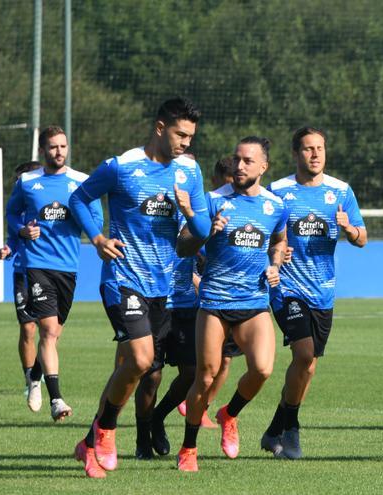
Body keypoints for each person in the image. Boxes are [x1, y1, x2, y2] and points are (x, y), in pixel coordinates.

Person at [68, 97, 212, 478]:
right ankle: (108, 430)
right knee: (140, 360)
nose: (186, 142)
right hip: (122, 278)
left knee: (134, 369)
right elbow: (79, 198)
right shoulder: (122, 166)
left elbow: (202, 231)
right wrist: (97, 239)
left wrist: (190, 212)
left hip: (162, 287)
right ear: (161, 128)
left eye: (191, 136)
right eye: (181, 134)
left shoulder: (189, 174)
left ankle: (90, 441)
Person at [175, 136, 288, 472]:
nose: (239, 166)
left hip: (254, 302)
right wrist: (206, 232)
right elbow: (183, 246)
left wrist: (275, 265)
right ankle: (189, 447)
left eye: (248, 161)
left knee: (263, 369)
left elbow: (279, 241)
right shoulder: (212, 201)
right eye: (236, 159)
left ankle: (229, 413)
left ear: (263, 167)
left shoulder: (275, 206)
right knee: (206, 378)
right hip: (214, 302)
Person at [260, 126, 367, 460]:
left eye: (320, 148)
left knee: (307, 367)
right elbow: (260, 233)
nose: (316, 154)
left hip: (324, 291)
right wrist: (275, 251)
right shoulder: (277, 191)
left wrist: (349, 228)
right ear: (296, 154)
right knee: (304, 355)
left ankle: (273, 429)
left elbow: (362, 237)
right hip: (286, 287)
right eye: (308, 149)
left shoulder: (340, 191)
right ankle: (291, 432)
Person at [6, 127, 104, 422]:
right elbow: (11, 214)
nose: (59, 151)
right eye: (52, 147)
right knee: (47, 331)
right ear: (42, 151)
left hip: (68, 267)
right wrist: (21, 231)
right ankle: (57, 399)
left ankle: (35, 378)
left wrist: (82, 221)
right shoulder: (27, 182)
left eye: (63, 146)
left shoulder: (82, 182)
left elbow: (97, 218)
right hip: (36, 264)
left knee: (54, 334)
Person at [150, 157, 237, 458]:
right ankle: (139, 436)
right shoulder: (152, 206)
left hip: (186, 305)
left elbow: (206, 254)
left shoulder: (199, 212)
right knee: (150, 374)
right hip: (155, 300)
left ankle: (157, 417)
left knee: (191, 373)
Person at [0, 160, 43, 412]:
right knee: (28, 329)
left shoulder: (47, 205)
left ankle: (39, 373)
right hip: (22, 273)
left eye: (21, 180)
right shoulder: (17, 213)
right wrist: (7, 249)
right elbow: (13, 239)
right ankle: (31, 379)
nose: (17, 185)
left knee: (49, 332)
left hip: (50, 274)